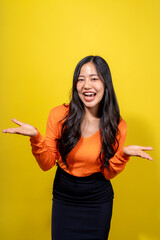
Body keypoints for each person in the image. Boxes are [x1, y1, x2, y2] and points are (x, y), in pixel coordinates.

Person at [2, 56, 153, 240]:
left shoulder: (117, 125)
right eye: (81, 79)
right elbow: (47, 164)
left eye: (94, 78)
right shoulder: (59, 115)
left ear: (106, 84)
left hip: (97, 201)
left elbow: (108, 174)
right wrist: (36, 138)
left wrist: (123, 155)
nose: (86, 85)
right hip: (64, 196)